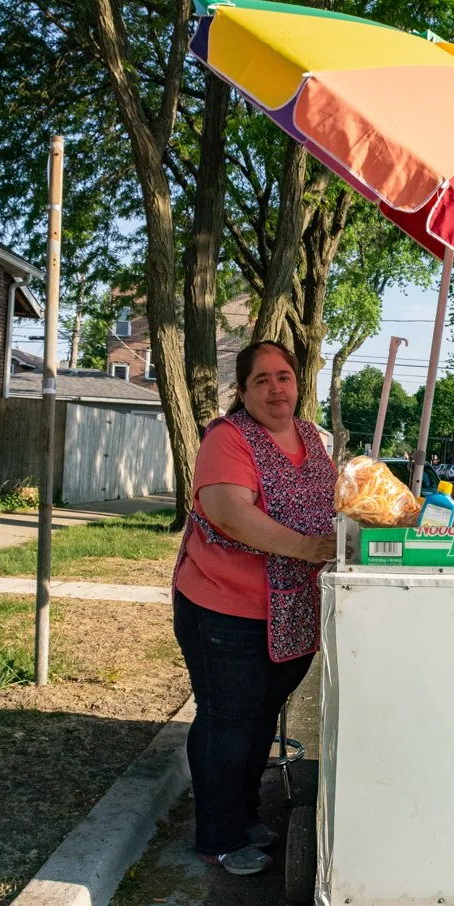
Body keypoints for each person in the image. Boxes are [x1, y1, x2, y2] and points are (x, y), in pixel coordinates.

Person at [172, 341, 336, 875]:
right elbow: (227, 512)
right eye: (261, 379)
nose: (275, 388)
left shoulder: (311, 436)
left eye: (284, 376)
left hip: (291, 612)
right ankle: (218, 835)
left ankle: (243, 816)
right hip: (225, 607)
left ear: (298, 383)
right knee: (227, 721)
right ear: (242, 391)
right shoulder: (228, 437)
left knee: (260, 719)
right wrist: (310, 548)